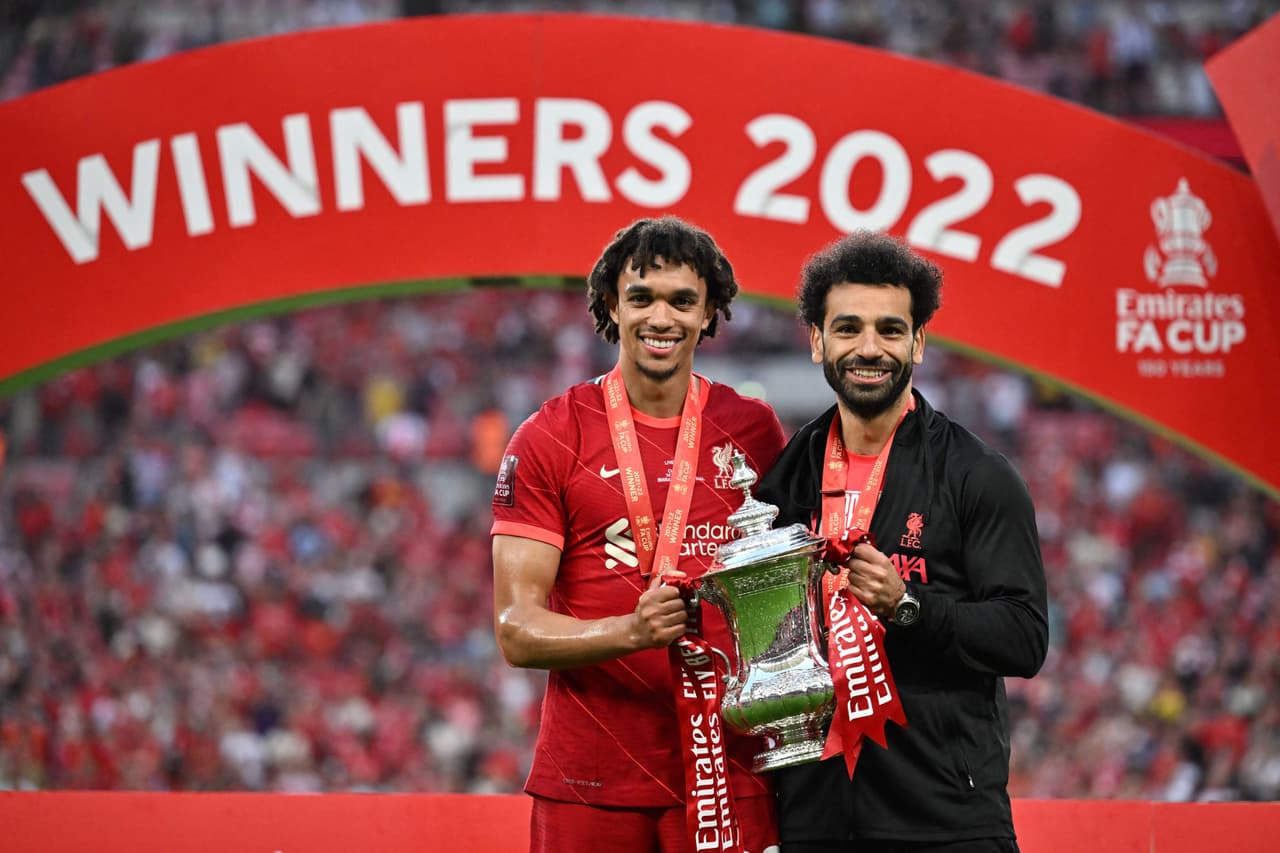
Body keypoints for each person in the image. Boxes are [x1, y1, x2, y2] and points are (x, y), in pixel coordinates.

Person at [491, 216, 787, 853]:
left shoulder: (755, 431)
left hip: (728, 769)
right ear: (610, 305)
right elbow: (515, 628)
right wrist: (633, 631)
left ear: (710, 312)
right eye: (642, 298)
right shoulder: (549, 435)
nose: (663, 317)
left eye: (683, 301)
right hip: (589, 775)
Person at [755, 231, 1049, 852]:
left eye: (890, 330)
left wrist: (907, 606)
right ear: (817, 341)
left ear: (918, 342)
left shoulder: (977, 476)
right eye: (848, 329)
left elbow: (1024, 637)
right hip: (817, 820)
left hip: (944, 822)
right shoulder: (786, 479)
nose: (869, 348)